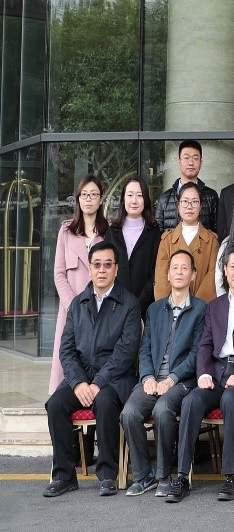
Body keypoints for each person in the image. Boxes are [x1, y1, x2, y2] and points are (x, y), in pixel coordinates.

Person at [172, 243, 234, 502]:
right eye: (232, 267)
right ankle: (181, 476)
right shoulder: (214, 306)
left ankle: (232, 477)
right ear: (225, 270)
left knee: (231, 399)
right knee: (191, 400)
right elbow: (204, 344)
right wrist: (203, 373)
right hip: (216, 373)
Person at [42, 241, 141, 498]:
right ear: (89, 269)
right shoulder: (78, 303)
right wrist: (78, 382)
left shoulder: (129, 304)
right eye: (96, 265)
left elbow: (126, 352)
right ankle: (64, 476)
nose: (102, 270)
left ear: (116, 269)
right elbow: (67, 350)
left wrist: (98, 382)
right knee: (56, 404)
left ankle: (107, 475)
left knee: (106, 403)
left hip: (114, 379)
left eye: (108, 265)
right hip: (82, 378)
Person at [120, 250, 206, 498]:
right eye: (174, 268)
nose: (179, 272)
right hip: (152, 379)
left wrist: (171, 379)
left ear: (193, 275)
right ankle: (143, 476)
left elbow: (197, 353)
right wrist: (147, 377)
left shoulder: (201, 309)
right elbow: (145, 348)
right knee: (129, 413)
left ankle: (165, 476)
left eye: (184, 268)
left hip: (182, 381)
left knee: (162, 410)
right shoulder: (154, 309)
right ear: (167, 274)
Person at [50, 175, 108, 394]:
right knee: (67, 364)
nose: (89, 199)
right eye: (84, 195)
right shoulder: (66, 231)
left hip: (100, 311)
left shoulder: (108, 232)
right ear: (78, 199)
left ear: (101, 199)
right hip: (71, 311)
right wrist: (74, 305)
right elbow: (59, 274)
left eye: (93, 194)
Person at [106, 175, 163, 316]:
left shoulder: (154, 231)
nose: (134, 200)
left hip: (146, 307)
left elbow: (156, 271)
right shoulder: (112, 231)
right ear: (123, 199)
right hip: (115, 306)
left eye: (139, 195)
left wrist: (139, 302)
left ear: (146, 200)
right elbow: (107, 267)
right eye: (130, 195)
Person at [152, 181, 218, 303]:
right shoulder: (167, 240)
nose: (189, 206)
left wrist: (197, 307)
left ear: (201, 206)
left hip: (201, 309)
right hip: (171, 308)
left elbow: (212, 277)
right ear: (178, 205)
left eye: (194, 202)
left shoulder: (212, 241)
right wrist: (169, 306)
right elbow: (161, 279)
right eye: (185, 201)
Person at [155, 140, 221, 233]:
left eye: (195, 158)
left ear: (201, 163)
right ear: (179, 162)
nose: (191, 163)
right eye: (186, 158)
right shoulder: (164, 199)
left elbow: (218, 232)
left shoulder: (211, 196)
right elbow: (158, 234)